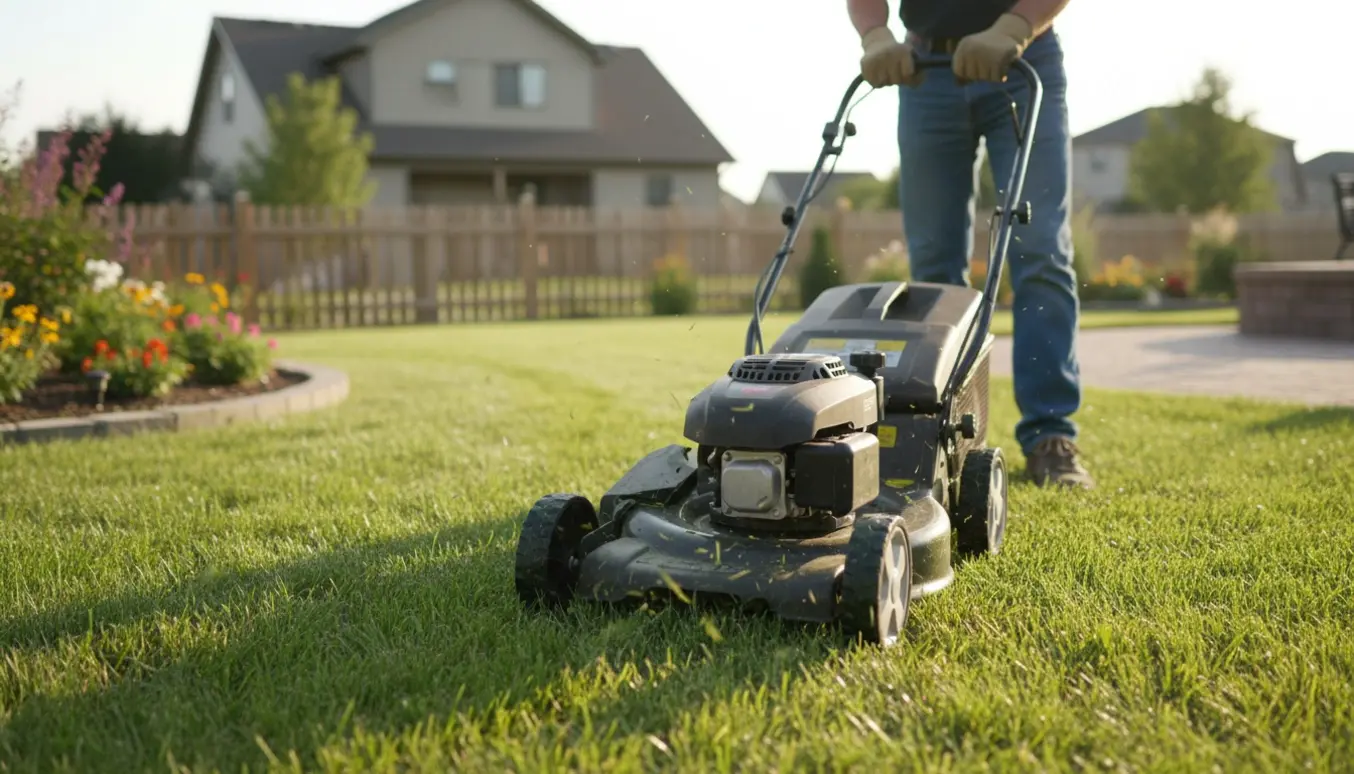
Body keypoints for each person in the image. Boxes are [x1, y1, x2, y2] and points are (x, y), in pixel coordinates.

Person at [845, 0, 1094, 489]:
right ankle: (943, 432)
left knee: (1039, 248)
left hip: (1023, 63)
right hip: (925, 71)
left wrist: (1015, 25)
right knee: (934, 270)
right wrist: (875, 33)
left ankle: (1050, 436)